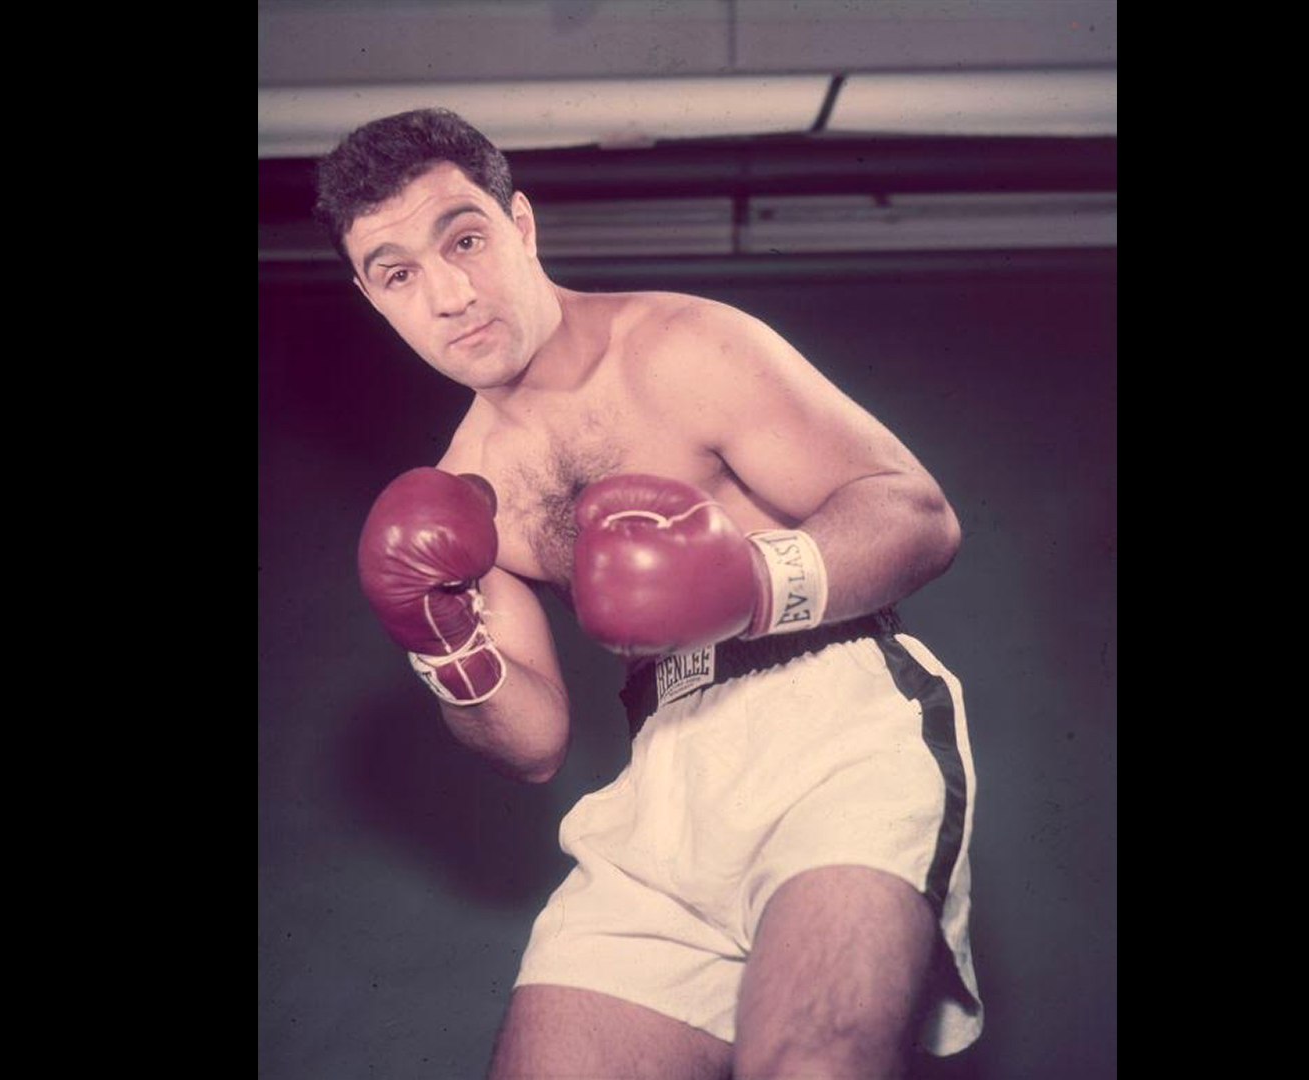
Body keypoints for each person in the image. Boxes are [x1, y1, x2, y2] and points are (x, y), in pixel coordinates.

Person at [320, 108, 982, 1079]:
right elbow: (533, 744)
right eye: (399, 274)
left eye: (464, 240)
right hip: (663, 774)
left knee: (811, 1062)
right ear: (373, 297)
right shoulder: (466, 489)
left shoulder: (682, 344)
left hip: (832, 728)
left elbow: (917, 515)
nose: (451, 296)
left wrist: (749, 582)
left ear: (521, 225)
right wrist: (441, 643)